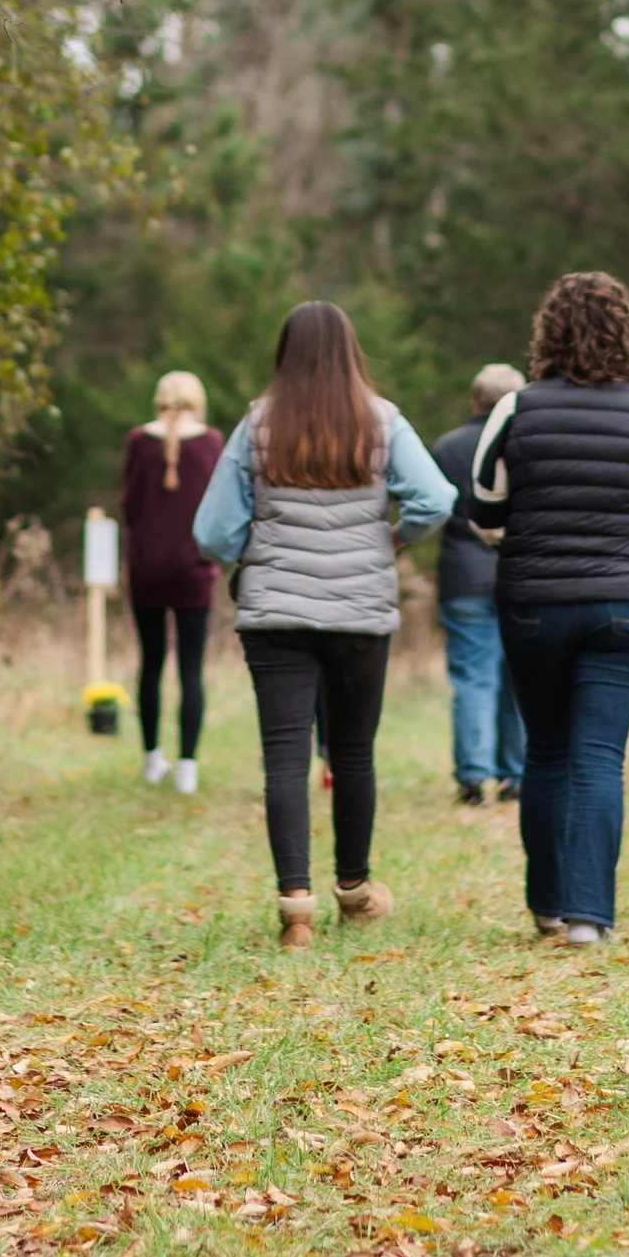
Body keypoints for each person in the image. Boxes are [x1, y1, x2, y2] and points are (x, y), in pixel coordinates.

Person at [194, 301, 454, 949]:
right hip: (359, 612)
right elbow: (437, 497)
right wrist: (394, 537)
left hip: (274, 611)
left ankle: (295, 906)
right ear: (350, 352)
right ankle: (355, 890)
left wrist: (253, 548)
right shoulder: (381, 419)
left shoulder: (258, 423)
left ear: (285, 353)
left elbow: (211, 530)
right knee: (353, 752)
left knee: (283, 755)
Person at [469, 269, 629, 951]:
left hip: (535, 603)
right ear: (628, 332)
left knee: (544, 749)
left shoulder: (516, 409)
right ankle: (587, 917)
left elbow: (485, 514)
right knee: (599, 754)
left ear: (547, 334)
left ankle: (545, 905)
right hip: (627, 606)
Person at [430, 361, 528, 808]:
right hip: (521, 572)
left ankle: (472, 778)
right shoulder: (527, 443)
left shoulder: (447, 447)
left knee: (473, 676)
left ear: (474, 400)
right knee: (520, 676)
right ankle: (516, 774)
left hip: (463, 573)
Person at [122, 369, 224, 791]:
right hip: (193, 569)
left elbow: (129, 506)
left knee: (150, 662)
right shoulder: (211, 442)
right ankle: (187, 768)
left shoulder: (137, 441)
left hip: (146, 567)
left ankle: (151, 759)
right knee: (190, 667)